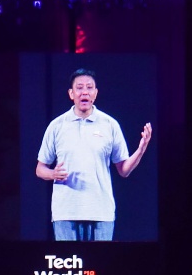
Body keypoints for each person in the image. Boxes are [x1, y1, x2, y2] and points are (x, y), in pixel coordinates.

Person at [36, 68, 152, 241]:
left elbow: (124, 170)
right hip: (65, 212)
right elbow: (40, 169)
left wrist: (141, 150)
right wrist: (53, 174)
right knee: (69, 258)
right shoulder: (56, 125)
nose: (85, 92)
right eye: (79, 88)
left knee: (101, 259)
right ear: (71, 93)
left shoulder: (110, 124)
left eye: (89, 88)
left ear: (95, 93)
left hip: (101, 212)